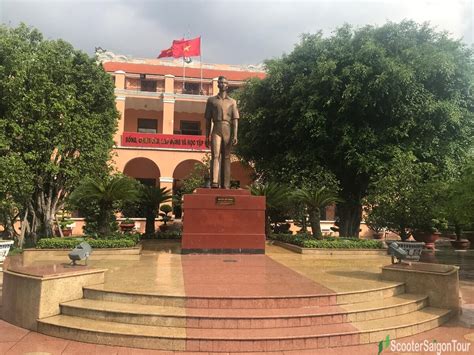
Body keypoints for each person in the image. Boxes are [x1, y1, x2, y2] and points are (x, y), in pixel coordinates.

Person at [205, 76, 239, 188]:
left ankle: (226, 184)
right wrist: (206, 136)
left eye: (225, 83)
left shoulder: (232, 102)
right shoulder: (211, 100)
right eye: (220, 82)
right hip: (216, 127)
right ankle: (214, 182)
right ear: (218, 84)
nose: (222, 84)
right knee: (215, 155)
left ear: (228, 85)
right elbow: (207, 119)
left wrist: (235, 135)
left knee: (227, 156)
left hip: (227, 128)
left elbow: (235, 119)